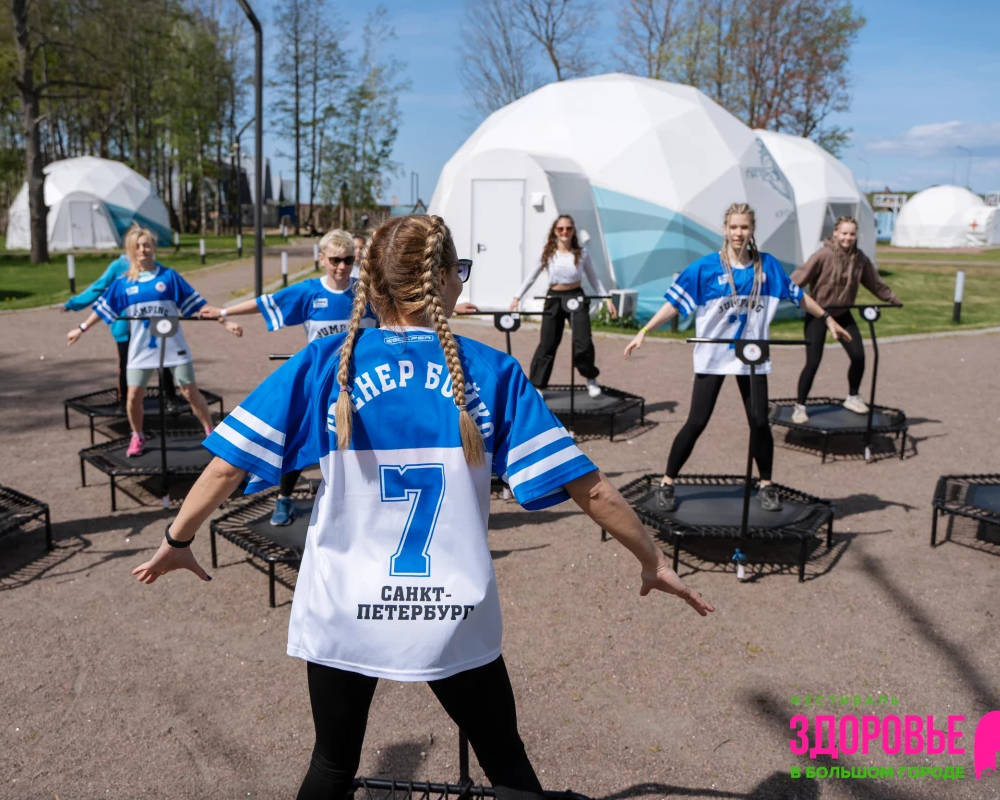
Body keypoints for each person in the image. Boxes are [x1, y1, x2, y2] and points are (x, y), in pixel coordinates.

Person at [132, 214, 714, 800]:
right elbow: (590, 489)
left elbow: (227, 466)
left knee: (332, 766)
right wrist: (650, 558)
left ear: (372, 285)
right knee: (506, 762)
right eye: (458, 270)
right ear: (443, 278)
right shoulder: (492, 370)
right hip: (449, 611)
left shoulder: (323, 365)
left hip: (345, 606)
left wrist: (177, 541)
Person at [623, 203, 850, 512]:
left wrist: (828, 319)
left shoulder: (767, 266)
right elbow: (675, 303)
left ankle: (766, 484)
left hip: (752, 357)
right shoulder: (705, 267)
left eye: (744, 227)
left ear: (752, 230)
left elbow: (799, 296)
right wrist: (645, 330)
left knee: (759, 422)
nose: (738, 233)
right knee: (697, 421)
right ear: (725, 229)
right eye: (733, 227)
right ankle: (667, 481)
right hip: (714, 355)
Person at [203, 229, 375, 525]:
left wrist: (452, 307)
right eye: (335, 259)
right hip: (321, 383)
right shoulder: (309, 292)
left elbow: (406, 304)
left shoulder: (368, 291)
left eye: (348, 259)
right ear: (322, 259)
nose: (342, 266)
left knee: (364, 443)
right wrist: (223, 310)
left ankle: (366, 502)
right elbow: (265, 302)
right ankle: (283, 499)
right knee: (300, 437)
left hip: (364, 384)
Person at [66, 225, 242, 458]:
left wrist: (226, 321)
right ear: (130, 250)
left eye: (147, 245)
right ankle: (137, 436)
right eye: (137, 246)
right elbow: (103, 309)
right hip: (141, 349)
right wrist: (81, 328)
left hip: (173, 347)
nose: (143, 250)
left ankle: (211, 433)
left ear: (154, 247)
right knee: (133, 397)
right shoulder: (123, 284)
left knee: (189, 391)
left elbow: (199, 306)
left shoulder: (169, 277)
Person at [787, 216, 900, 423]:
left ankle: (853, 397)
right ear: (836, 233)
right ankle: (800, 406)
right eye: (844, 233)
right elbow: (800, 276)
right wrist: (782, 290)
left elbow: (875, 283)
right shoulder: (823, 255)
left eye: (852, 234)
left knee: (859, 356)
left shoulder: (859, 259)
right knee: (813, 362)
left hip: (843, 313)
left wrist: (892, 299)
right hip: (819, 314)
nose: (848, 237)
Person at [510, 215, 617, 398]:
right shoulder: (548, 253)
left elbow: (593, 278)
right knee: (548, 343)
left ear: (573, 231)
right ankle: (538, 385)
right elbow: (532, 276)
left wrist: (607, 299)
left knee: (583, 341)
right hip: (554, 298)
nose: (565, 232)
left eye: (568, 228)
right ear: (555, 231)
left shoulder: (581, 253)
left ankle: (590, 378)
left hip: (576, 297)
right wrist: (517, 297)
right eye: (560, 229)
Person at [62, 253, 176, 402]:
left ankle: (170, 399)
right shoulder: (119, 266)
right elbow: (99, 288)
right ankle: (125, 402)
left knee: (162, 362)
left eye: (146, 245)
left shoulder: (156, 267)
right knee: (127, 365)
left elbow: (172, 292)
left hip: (150, 326)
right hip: (124, 326)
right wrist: (75, 303)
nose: (141, 250)